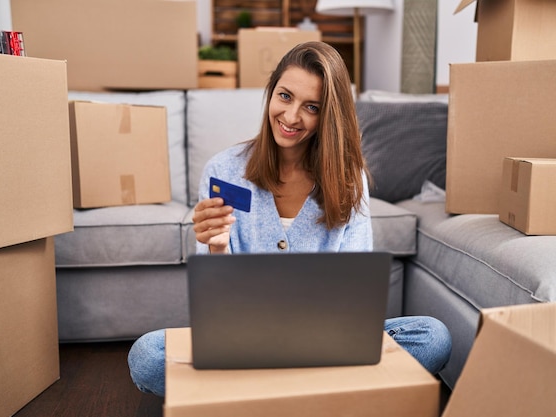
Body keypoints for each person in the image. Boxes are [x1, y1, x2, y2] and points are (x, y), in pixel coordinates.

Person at [128, 41, 451, 397]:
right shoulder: (224, 169)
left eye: (311, 107)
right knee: (147, 356)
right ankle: (313, 394)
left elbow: (354, 292)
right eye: (284, 96)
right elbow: (219, 308)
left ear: (328, 114)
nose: (292, 116)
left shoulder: (347, 176)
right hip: (245, 339)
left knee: (432, 336)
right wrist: (217, 248)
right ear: (271, 93)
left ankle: (263, 394)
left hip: (327, 339)